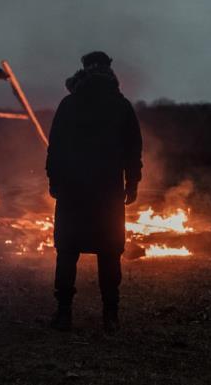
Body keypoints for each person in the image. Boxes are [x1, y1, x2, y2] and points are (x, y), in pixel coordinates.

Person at [46, 51, 143, 333]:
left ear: (84, 70)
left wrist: (54, 181)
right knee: (110, 253)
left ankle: (64, 315)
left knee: (66, 252)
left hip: (72, 192)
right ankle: (110, 317)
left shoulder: (68, 104)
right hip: (108, 193)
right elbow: (133, 149)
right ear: (109, 72)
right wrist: (132, 182)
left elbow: (55, 148)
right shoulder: (121, 105)